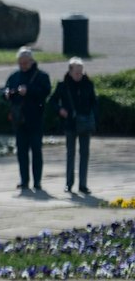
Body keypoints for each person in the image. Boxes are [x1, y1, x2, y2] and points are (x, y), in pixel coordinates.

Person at [3, 48, 51, 192]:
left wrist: (28, 90)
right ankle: (24, 181)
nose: (23, 65)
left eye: (25, 63)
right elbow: (5, 90)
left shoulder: (41, 76)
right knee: (22, 152)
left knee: (36, 151)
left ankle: (37, 181)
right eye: (20, 63)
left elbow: (45, 92)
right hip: (19, 120)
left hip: (35, 119)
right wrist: (6, 93)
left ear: (31, 61)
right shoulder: (15, 76)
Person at [52, 56, 97, 196]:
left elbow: (94, 102)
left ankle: (83, 184)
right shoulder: (62, 85)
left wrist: (91, 116)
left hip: (84, 123)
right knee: (70, 154)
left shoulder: (88, 84)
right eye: (76, 72)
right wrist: (60, 110)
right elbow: (52, 101)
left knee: (85, 154)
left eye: (81, 72)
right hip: (70, 124)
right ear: (70, 72)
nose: (79, 75)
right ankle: (69, 183)